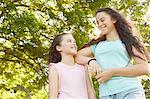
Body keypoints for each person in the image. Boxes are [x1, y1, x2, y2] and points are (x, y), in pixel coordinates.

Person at [75, 8, 149, 99]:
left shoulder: (128, 41)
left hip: (130, 90)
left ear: (114, 19)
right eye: (97, 22)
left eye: (102, 20)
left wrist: (112, 72)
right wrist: (91, 61)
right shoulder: (97, 46)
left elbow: (145, 68)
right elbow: (77, 56)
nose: (100, 24)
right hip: (106, 94)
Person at [48, 33, 96, 99]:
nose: (74, 43)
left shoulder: (83, 67)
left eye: (74, 42)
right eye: (69, 41)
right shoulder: (55, 67)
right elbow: (53, 96)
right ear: (59, 48)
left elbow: (90, 91)